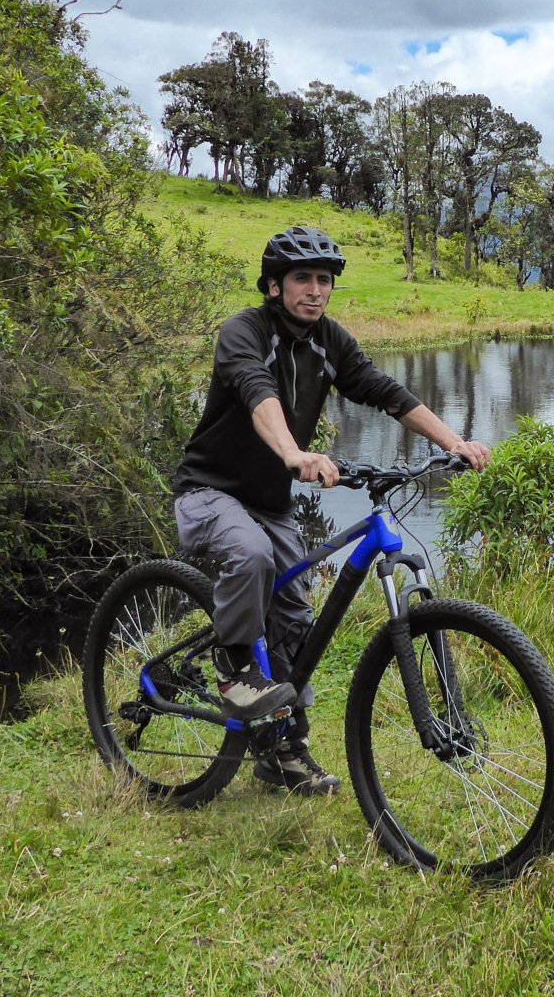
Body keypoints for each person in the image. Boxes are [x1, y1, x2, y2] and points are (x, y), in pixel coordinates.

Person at [170, 225, 491, 796]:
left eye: (324, 280)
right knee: (250, 555)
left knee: (295, 618)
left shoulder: (329, 340)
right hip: (209, 491)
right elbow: (257, 390)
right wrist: (294, 453)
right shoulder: (244, 331)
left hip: (269, 502)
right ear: (274, 285)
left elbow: (384, 391)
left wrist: (453, 442)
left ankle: (283, 752)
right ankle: (234, 667)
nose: (315, 290)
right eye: (302, 279)